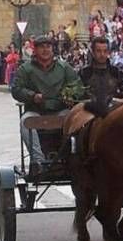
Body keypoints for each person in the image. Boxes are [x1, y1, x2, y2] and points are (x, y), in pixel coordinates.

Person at [11, 36, 83, 173]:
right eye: (41, 47)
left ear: (52, 49)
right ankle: (38, 161)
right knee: (25, 122)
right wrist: (32, 96)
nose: (45, 50)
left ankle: (67, 156)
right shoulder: (26, 69)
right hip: (36, 111)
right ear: (35, 50)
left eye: (48, 47)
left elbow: (77, 86)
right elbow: (16, 89)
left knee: (76, 120)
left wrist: (71, 96)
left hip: (60, 110)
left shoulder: (64, 67)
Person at [79, 37, 123, 115]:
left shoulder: (115, 71)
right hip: (89, 113)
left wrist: (117, 99)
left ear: (108, 52)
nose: (102, 54)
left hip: (113, 113)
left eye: (105, 51)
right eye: (98, 51)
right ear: (93, 52)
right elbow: (78, 94)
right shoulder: (85, 72)